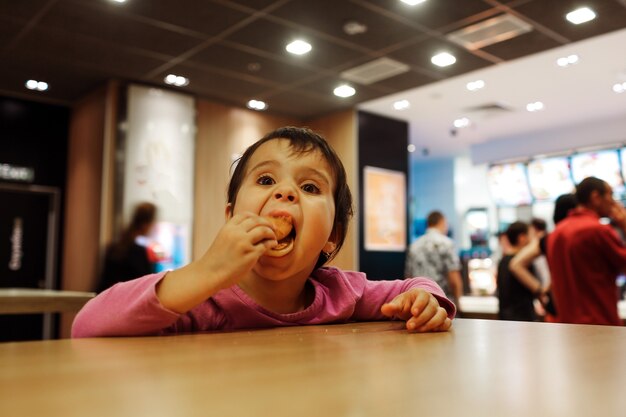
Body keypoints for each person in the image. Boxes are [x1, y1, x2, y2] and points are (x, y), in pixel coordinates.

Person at [73, 127, 456, 338]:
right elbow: (87, 325)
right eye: (266, 179)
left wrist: (425, 299)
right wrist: (205, 272)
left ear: (332, 236)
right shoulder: (201, 300)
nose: (285, 192)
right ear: (231, 217)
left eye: (309, 188)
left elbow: (413, 286)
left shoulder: (342, 293)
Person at [546, 177, 626, 325]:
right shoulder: (598, 230)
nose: (614, 202)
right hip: (600, 325)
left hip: (567, 326)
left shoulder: (555, 233)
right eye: (611, 195)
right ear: (596, 197)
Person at [509, 193, 578, 319]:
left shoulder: (548, 239)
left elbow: (516, 264)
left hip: (557, 308)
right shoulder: (585, 234)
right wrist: (540, 290)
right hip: (582, 309)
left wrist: (541, 290)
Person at [96, 202, 157, 293]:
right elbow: (147, 287)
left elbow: (103, 283)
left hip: (111, 300)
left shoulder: (115, 247)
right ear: (145, 224)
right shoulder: (140, 252)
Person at [404, 210, 463, 305]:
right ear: (442, 222)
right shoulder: (447, 243)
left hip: (418, 302)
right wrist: (458, 304)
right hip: (442, 303)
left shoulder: (414, 245)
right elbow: (454, 278)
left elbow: (408, 278)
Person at [496, 221, 539, 321]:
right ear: (522, 238)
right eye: (531, 235)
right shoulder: (523, 263)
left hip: (505, 318)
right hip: (524, 321)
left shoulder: (503, 261)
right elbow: (535, 290)